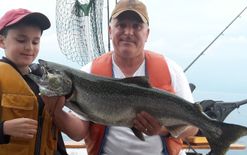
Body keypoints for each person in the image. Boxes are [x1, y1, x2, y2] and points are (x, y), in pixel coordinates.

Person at [44, 0, 199, 155]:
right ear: (110, 30)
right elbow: (78, 133)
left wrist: (163, 130)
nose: (128, 32)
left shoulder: (171, 70)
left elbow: (194, 126)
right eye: (121, 25)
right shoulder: (89, 72)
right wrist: (56, 111)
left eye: (137, 26)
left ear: (147, 34)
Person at [0, 8, 67, 155]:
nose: (29, 47)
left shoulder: (44, 82)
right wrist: (4, 128)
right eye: (21, 40)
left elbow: (53, 134)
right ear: (2, 41)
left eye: (35, 41)